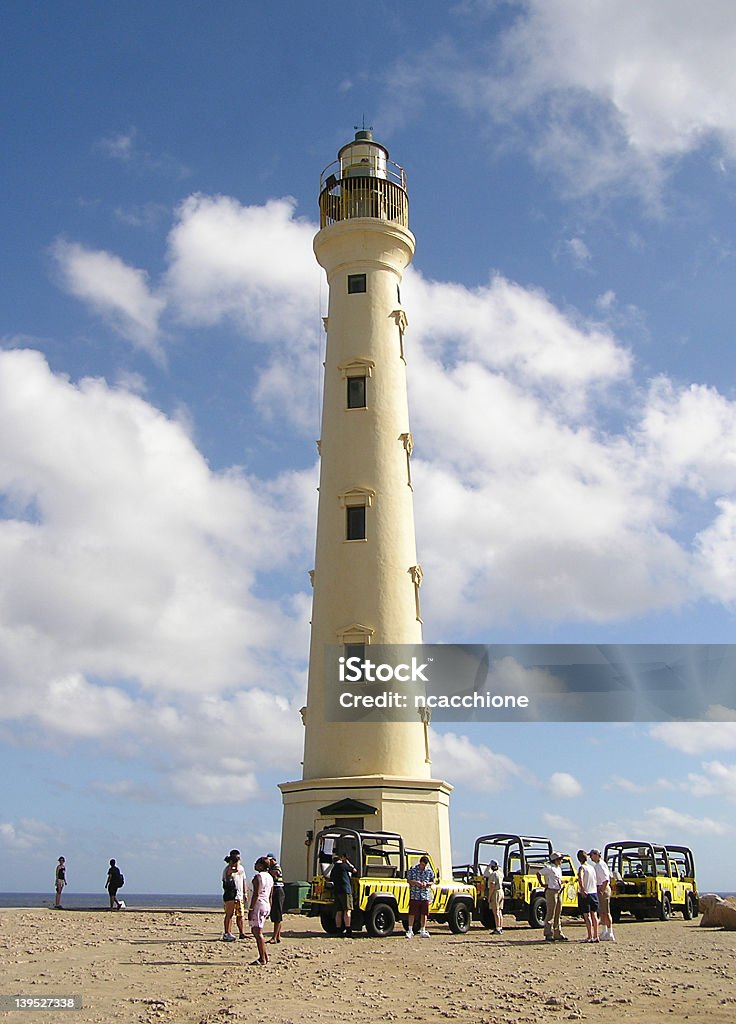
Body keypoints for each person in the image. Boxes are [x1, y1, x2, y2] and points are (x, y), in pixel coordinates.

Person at [249, 857, 274, 965]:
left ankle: (262, 958)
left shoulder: (258, 877)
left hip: (259, 904)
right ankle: (265, 956)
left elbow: (256, 894)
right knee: (257, 930)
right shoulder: (270, 877)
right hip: (266, 904)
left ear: (260, 865)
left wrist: (251, 908)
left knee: (257, 932)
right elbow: (271, 895)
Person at [539, 852, 568, 942]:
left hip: (558, 890)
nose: (561, 861)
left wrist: (563, 882)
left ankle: (557, 933)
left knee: (558, 912)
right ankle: (548, 933)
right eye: (560, 859)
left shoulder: (558, 868)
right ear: (555, 860)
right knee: (551, 912)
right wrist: (543, 884)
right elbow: (539, 874)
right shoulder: (548, 868)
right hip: (551, 891)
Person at [406, 855, 435, 938]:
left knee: (424, 913)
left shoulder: (429, 871)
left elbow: (432, 881)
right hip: (414, 895)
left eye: (424, 865)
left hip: (425, 895)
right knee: (412, 913)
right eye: (422, 864)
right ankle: (410, 930)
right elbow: (408, 880)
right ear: (420, 863)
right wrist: (416, 883)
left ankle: (423, 930)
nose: (423, 866)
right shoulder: (413, 869)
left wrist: (427, 884)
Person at [221, 849, 248, 942]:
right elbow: (232, 871)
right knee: (229, 914)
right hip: (230, 894)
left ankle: (242, 932)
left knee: (240, 914)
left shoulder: (242, 868)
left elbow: (244, 880)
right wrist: (233, 863)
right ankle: (227, 932)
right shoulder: (228, 869)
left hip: (239, 894)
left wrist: (245, 892)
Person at [589, 849, 615, 941]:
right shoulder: (598, 865)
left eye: (591, 855)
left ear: (596, 855)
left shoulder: (600, 865)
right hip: (600, 888)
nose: (590, 857)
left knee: (606, 912)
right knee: (602, 912)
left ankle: (610, 932)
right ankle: (604, 931)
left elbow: (606, 879)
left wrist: (602, 890)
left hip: (603, 888)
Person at [330, 852, 358, 937]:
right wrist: (348, 862)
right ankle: (348, 929)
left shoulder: (334, 869)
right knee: (347, 910)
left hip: (337, 891)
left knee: (339, 911)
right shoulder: (344, 866)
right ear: (341, 859)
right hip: (346, 891)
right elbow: (354, 870)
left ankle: (338, 930)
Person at [577, 850, 599, 942]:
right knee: (594, 915)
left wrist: (582, 888)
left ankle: (590, 935)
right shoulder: (591, 868)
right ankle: (596, 935)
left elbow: (580, 878)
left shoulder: (582, 868)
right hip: (593, 892)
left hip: (586, 893)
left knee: (587, 916)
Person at [484, 859, 504, 934]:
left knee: (495, 912)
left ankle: (497, 929)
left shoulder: (493, 874)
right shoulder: (500, 873)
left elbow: (492, 886)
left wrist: (489, 897)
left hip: (496, 892)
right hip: (501, 891)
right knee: (499, 911)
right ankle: (500, 927)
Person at [268, 861, 285, 943]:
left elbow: (275, 874)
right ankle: (277, 936)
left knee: (277, 915)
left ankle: (274, 937)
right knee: (277, 915)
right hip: (276, 890)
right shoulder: (273, 867)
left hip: (278, 890)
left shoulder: (276, 867)